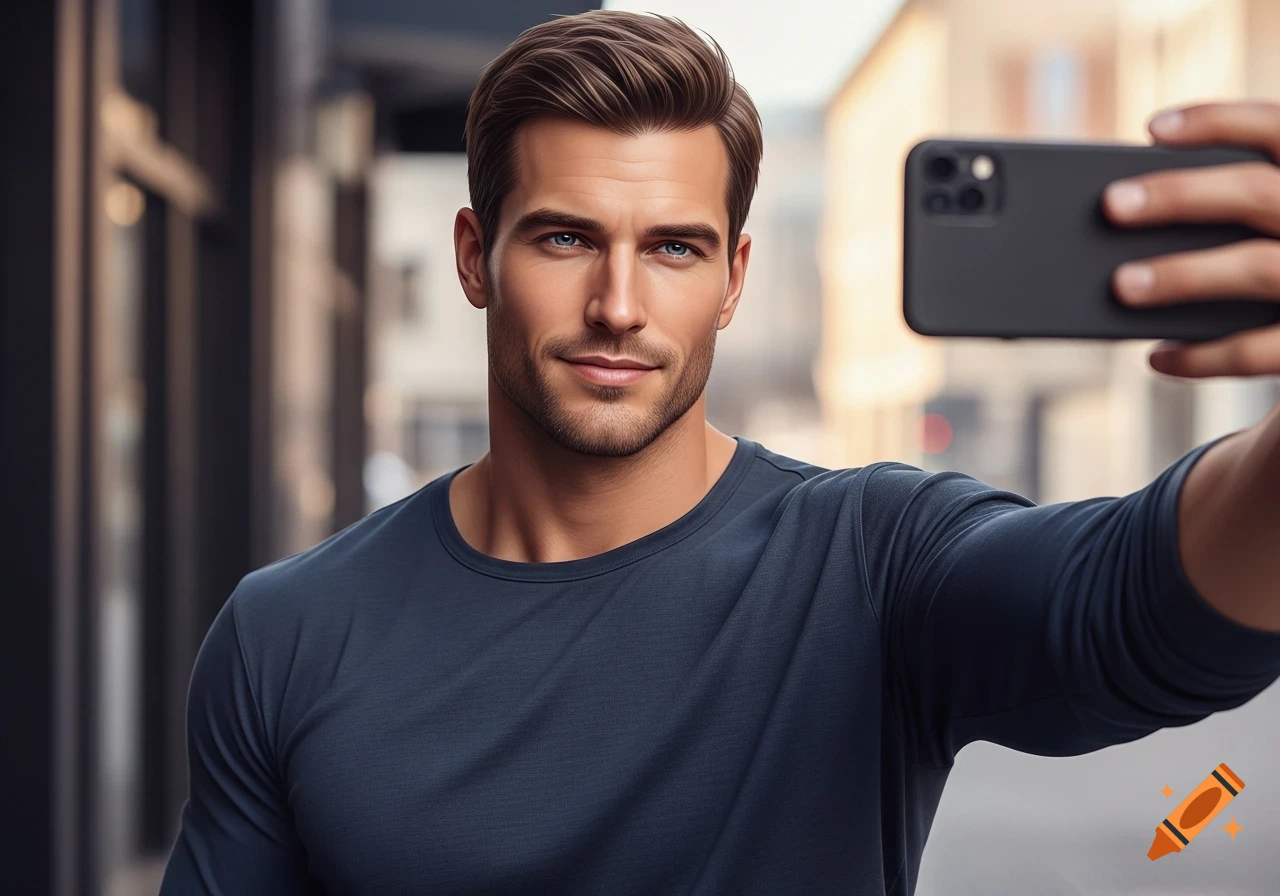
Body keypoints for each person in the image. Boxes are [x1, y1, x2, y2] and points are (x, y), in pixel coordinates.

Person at [159, 10, 1280, 895]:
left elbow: (1139, 607)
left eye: (674, 248)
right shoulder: (288, 630)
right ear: (471, 256)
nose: (617, 303)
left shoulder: (870, 559)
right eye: (563, 237)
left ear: (733, 276)